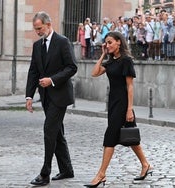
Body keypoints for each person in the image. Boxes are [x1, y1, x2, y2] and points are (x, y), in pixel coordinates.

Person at [84, 31, 152, 187]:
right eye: (106, 43)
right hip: (113, 104)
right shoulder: (110, 62)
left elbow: (130, 86)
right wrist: (102, 55)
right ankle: (145, 164)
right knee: (130, 137)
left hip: (123, 104)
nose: (108, 45)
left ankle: (101, 174)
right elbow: (94, 73)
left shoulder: (126, 60)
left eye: (110, 42)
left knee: (110, 137)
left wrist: (129, 109)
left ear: (118, 42)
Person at [25, 11, 77, 186]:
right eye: (35, 29)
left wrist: (52, 80)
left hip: (60, 95)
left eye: (39, 28)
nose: (37, 32)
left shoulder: (63, 42)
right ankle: (67, 169)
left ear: (48, 24)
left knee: (49, 131)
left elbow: (72, 67)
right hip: (45, 96)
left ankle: (45, 173)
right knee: (57, 133)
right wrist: (29, 95)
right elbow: (33, 71)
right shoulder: (36, 45)